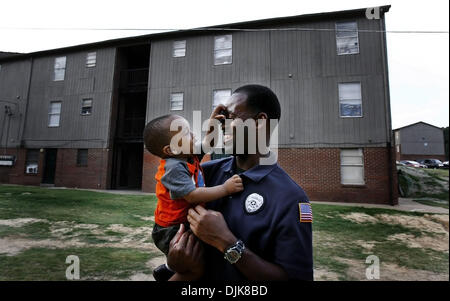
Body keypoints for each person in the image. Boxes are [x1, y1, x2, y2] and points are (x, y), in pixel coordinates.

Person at [166, 84, 314, 281]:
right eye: (223, 118)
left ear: (260, 122)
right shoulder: (207, 173)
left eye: (232, 118)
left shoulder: (290, 198)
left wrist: (226, 242)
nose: (222, 125)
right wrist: (173, 261)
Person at [142, 114, 244, 258]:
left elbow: (208, 144)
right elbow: (192, 195)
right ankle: (170, 272)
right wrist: (225, 188)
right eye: (186, 134)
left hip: (185, 220)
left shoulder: (186, 155)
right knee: (194, 262)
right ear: (170, 150)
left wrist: (213, 123)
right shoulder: (173, 167)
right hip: (172, 228)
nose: (193, 134)